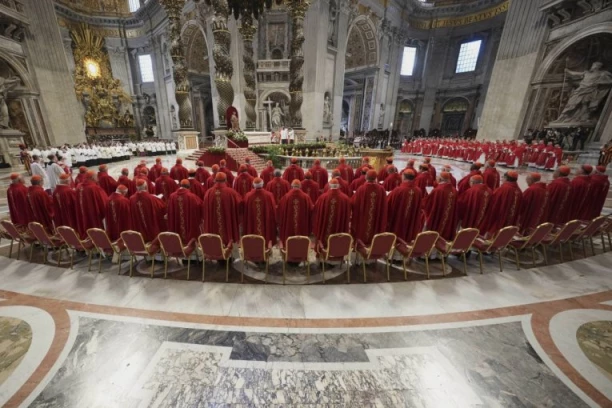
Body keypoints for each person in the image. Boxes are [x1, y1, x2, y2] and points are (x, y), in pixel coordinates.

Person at [202, 172, 242, 246]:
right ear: (226, 180)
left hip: (213, 222)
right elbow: (240, 205)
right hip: (227, 221)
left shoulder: (208, 192)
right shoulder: (231, 192)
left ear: (215, 180)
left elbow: (205, 208)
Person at [481, 171, 523, 238]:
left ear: (506, 178)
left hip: (500, 218)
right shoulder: (519, 191)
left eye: (503, 177)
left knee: (493, 235)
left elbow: (494, 204)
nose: (502, 179)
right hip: (511, 220)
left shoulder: (503, 189)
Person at [351, 170, 388, 246]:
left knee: (363, 227)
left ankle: (361, 245)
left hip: (363, 218)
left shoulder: (361, 189)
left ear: (366, 177)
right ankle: (373, 244)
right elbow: (384, 205)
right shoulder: (381, 190)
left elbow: (354, 203)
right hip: (375, 218)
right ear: (375, 178)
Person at [386, 169, 423, 244]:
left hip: (398, 220)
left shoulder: (398, 190)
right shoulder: (418, 191)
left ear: (404, 177)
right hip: (411, 219)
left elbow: (388, 204)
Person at [313, 178, 351, 245]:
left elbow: (316, 209)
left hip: (325, 224)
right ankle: (337, 244)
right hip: (339, 224)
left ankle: (324, 244)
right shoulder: (345, 198)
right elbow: (348, 213)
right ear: (338, 186)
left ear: (330, 185)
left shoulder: (322, 197)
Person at [423, 172, 458, 241]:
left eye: (438, 177)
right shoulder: (454, 190)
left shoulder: (438, 190)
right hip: (448, 217)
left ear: (440, 179)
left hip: (438, 215)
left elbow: (428, 203)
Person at [130, 178, 167, 242]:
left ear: (136, 188)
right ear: (146, 187)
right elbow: (162, 208)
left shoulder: (131, 199)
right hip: (151, 229)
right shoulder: (151, 198)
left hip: (139, 228)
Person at [278, 179, 314, 244]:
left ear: (292, 186)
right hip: (302, 221)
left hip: (289, 222)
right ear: (300, 186)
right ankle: (302, 242)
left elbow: (281, 208)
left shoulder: (287, 196)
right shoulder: (305, 197)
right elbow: (311, 209)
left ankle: (289, 242)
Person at [243, 178, 277, 245]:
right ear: (263, 184)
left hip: (253, 221)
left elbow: (245, 211)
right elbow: (273, 210)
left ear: (253, 185)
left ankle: (253, 244)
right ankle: (266, 244)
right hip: (265, 221)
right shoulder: (269, 195)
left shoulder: (248, 195)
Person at [75, 171, 108, 238]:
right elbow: (104, 201)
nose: (97, 178)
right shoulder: (94, 188)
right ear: (92, 177)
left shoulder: (79, 187)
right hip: (93, 212)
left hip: (82, 212)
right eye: (96, 176)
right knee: (94, 225)